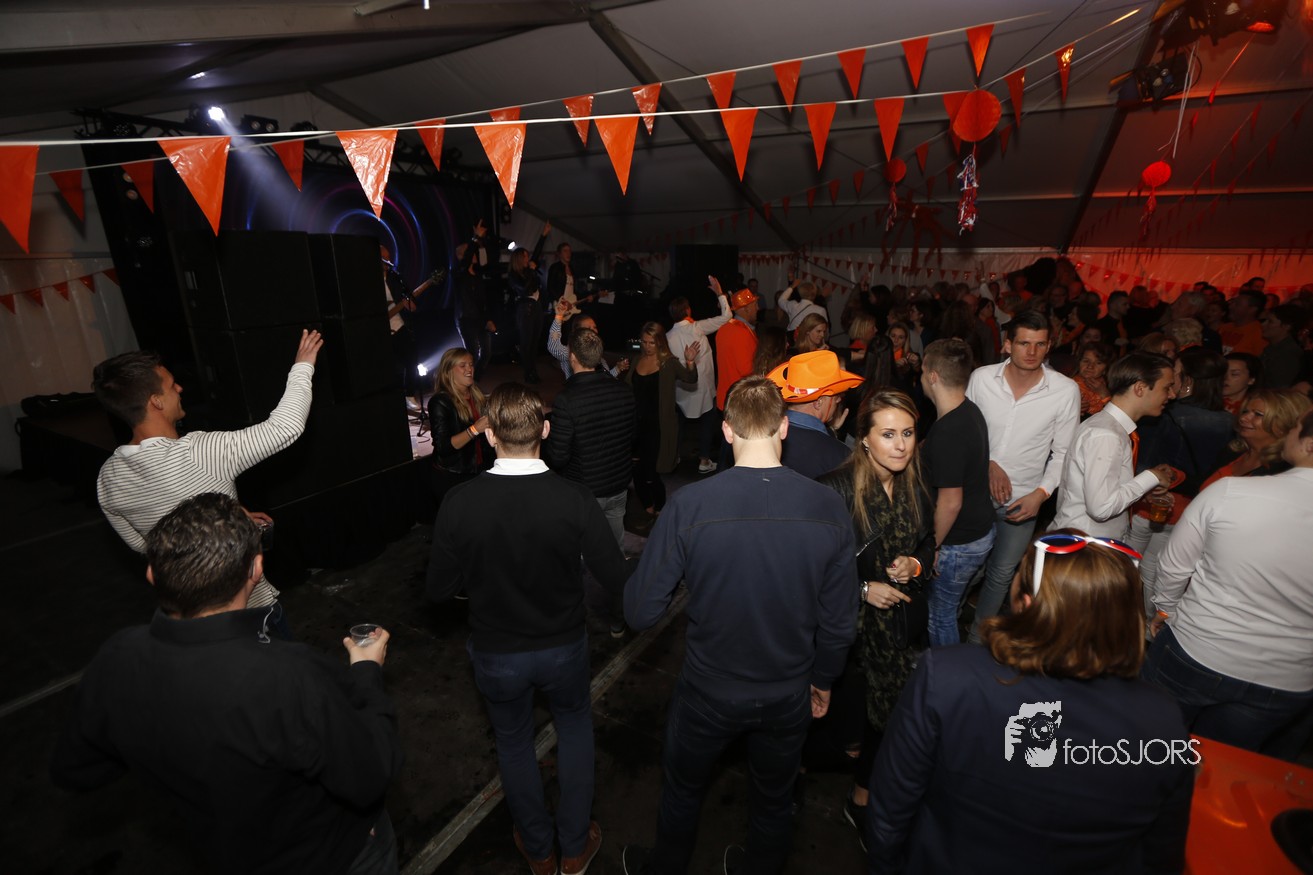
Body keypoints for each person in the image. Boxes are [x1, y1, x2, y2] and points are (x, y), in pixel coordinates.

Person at [51, 493, 402, 875]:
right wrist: (366, 671)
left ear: (152, 573)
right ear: (256, 569)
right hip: (330, 855)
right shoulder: (287, 674)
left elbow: (78, 770)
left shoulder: (117, 657)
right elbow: (370, 773)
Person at [622, 375, 858, 875]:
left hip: (708, 690)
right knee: (773, 800)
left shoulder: (689, 505)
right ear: (784, 428)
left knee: (683, 790)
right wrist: (823, 679)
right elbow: (840, 621)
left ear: (727, 430)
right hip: (789, 691)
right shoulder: (829, 507)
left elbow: (640, 611)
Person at [868, 531, 1195, 874]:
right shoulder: (1162, 721)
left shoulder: (948, 678)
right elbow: (1161, 854)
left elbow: (890, 809)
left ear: (1025, 605)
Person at [428, 384, 627, 875]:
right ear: (546, 430)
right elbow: (616, 577)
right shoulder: (575, 498)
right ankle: (574, 849)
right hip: (563, 647)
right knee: (575, 730)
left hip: (497, 653)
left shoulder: (459, 502)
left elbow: (438, 590)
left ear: (490, 435)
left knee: (514, 743)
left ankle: (539, 852)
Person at [93, 329, 323, 613]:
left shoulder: (108, 477)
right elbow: (285, 428)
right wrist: (303, 365)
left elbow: (146, 545)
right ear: (156, 401)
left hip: (187, 611)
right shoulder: (198, 453)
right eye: (172, 385)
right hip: (246, 609)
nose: (180, 389)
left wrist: (224, 522)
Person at [1144, 407, 1313, 756]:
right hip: (1286, 679)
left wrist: (1165, 612)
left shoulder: (1231, 493)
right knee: (1217, 765)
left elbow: (1174, 566)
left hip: (1199, 649)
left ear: (1309, 444)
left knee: (1149, 745)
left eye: (1296, 427)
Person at [815, 389, 934, 848]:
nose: (901, 446)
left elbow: (927, 544)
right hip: (847, 634)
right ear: (863, 437)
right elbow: (812, 572)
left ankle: (861, 798)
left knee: (885, 721)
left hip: (896, 634)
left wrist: (915, 565)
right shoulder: (834, 489)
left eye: (908, 433)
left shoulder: (915, 482)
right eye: (888, 434)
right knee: (840, 724)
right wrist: (864, 589)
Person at [965, 310, 1080, 641]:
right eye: (1024, 343)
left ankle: (977, 639)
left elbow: (1064, 453)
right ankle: (943, 623)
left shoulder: (1065, 390)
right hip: (974, 493)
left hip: (1023, 501)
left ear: (1049, 346)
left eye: (1040, 344)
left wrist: (1040, 495)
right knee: (965, 568)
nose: (1032, 352)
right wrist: (988, 462)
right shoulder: (982, 379)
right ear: (1007, 345)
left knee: (1002, 573)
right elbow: (965, 433)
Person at [1126, 349, 1234, 621]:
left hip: (1152, 501)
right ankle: (1151, 622)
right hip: (1190, 507)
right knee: (1160, 567)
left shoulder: (1166, 415)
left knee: (1129, 562)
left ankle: (1128, 619)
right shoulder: (1228, 421)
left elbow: (1144, 464)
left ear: (1188, 380)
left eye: (1175, 372)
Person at [1051, 353, 1178, 540]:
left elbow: (1101, 491)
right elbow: (1101, 509)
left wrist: (1141, 493)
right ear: (1140, 388)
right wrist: (1152, 476)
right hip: (1086, 544)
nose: (1172, 395)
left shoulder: (1108, 426)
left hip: (1087, 539)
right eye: (1167, 388)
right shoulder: (1106, 435)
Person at [919, 339, 995, 646]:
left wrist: (932, 546)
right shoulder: (969, 409)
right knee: (951, 606)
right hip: (980, 531)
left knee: (940, 616)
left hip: (959, 542)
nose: (921, 377)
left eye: (922, 371)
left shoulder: (948, 432)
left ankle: (946, 671)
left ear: (933, 376)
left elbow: (951, 502)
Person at [545, 328, 636, 553]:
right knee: (615, 547)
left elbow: (558, 457)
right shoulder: (624, 390)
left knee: (581, 550)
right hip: (618, 483)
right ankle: (617, 574)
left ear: (573, 357)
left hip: (584, 489)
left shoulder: (567, 399)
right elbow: (631, 437)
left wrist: (547, 437)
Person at [623, 322, 699, 517]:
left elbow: (690, 378)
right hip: (635, 425)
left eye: (652, 343)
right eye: (644, 342)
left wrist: (690, 361)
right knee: (636, 469)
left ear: (660, 342)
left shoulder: (668, 363)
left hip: (657, 426)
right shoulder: (637, 360)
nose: (647, 346)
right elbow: (628, 387)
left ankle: (660, 505)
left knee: (651, 472)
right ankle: (647, 503)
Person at [666, 277, 732, 475]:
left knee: (680, 424)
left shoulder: (668, 336)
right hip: (703, 387)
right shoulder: (697, 327)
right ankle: (704, 459)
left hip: (681, 387)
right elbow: (727, 316)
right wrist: (720, 294)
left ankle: (674, 456)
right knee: (707, 421)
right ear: (688, 311)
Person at [768, 350, 863, 479]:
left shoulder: (765, 433)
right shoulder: (838, 455)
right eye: (836, 396)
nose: (838, 401)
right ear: (819, 402)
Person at [426, 347, 493, 509]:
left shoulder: (476, 395)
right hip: (453, 475)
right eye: (462, 366)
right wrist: (474, 430)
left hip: (479, 470)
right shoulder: (440, 402)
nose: (469, 369)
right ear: (448, 371)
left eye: (471, 364)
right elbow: (443, 447)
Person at [1201, 388, 1311, 486]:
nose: (1243, 418)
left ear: (1283, 423)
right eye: (1245, 411)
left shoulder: (1282, 469)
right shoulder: (1232, 451)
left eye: (1258, 414)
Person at [508, 223, 551, 383]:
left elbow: (537, 253)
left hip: (536, 307)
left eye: (528, 256)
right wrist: (532, 271)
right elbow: (525, 290)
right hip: (525, 309)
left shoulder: (528, 271)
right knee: (526, 342)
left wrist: (543, 235)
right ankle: (528, 373)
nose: (528, 258)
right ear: (519, 259)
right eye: (525, 256)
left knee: (534, 342)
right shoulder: (514, 275)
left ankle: (533, 371)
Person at [454, 221, 497, 379]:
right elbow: (465, 261)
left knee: (487, 352)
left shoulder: (478, 275)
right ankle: (469, 381)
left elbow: (483, 300)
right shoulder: (459, 273)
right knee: (472, 352)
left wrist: (489, 319)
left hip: (480, 318)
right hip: (466, 318)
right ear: (462, 256)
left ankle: (474, 379)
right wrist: (474, 238)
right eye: (469, 252)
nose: (473, 253)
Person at [547, 300, 622, 380]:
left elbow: (605, 379)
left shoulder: (600, 358)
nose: (593, 331)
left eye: (594, 327)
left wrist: (617, 369)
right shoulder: (572, 353)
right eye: (588, 328)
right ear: (577, 332)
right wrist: (559, 316)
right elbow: (554, 347)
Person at [714, 286, 761, 412]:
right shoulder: (742, 333)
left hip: (725, 398)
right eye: (755, 305)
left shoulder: (724, 328)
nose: (758, 308)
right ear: (746, 308)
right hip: (739, 403)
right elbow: (746, 370)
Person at [1260, 303, 1306, 388]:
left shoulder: (1288, 354)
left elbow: (1279, 387)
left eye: (1270, 321)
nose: (1263, 324)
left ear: (1286, 326)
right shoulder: (1273, 348)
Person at [1073, 341, 1114, 417]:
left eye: (1098, 363)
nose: (1090, 366)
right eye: (1086, 361)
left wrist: (1105, 395)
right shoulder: (1068, 385)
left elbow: (1117, 418)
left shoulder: (1114, 388)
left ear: (1106, 368)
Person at [1219, 289, 1266, 356]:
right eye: (1232, 303)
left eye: (1237, 304)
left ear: (1252, 309)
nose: (1230, 306)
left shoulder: (1260, 333)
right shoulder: (1224, 327)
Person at [1221, 351, 1261, 419]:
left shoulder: (1257, 409)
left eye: (1234, 374)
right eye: (1222, 373)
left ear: (1251, 380)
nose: (1225, 378)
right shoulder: (1206, 402)